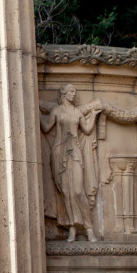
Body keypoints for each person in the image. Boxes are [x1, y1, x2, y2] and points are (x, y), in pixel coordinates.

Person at [40, 83, 101, 242]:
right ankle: (72, 229)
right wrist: (35, 113)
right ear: (64, 94)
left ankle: (89, 229)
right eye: (71, 91)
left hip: (75, 153)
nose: (74, 94)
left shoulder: (77, 113)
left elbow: (87, 130)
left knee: (79, 192)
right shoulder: (57, 111)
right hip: (59, 153)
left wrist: (93, 115)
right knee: (66, 193)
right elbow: (46, 128)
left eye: (75, 91)